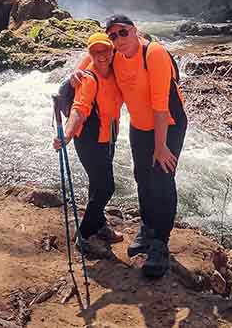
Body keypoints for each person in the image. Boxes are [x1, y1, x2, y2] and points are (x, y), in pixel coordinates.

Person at [72, 14, 187, 278]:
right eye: (112, 35)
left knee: (162, 178)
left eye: (123, 32)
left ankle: (161, 243)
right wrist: (73, 75)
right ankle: (147, 229)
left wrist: (160, 146)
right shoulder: (114, 55)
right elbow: (91, 60)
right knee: (142, 178)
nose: (118, 39)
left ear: (135, 31)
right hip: (139, 126)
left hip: (167, 124)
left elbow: (160, 104)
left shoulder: (153, 53)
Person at [54, 32, 125, 256]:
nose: (101, 56)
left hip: (109, 135)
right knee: (107, 186)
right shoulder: (88, 78)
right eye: (96, 52)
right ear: (91, 54)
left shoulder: (117, 70)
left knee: (97, 184)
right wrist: (66, 135)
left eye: (105, 50)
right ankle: (83, 234)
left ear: (112, 51)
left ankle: (100, 224)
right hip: (88, 139)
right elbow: (79, 109)